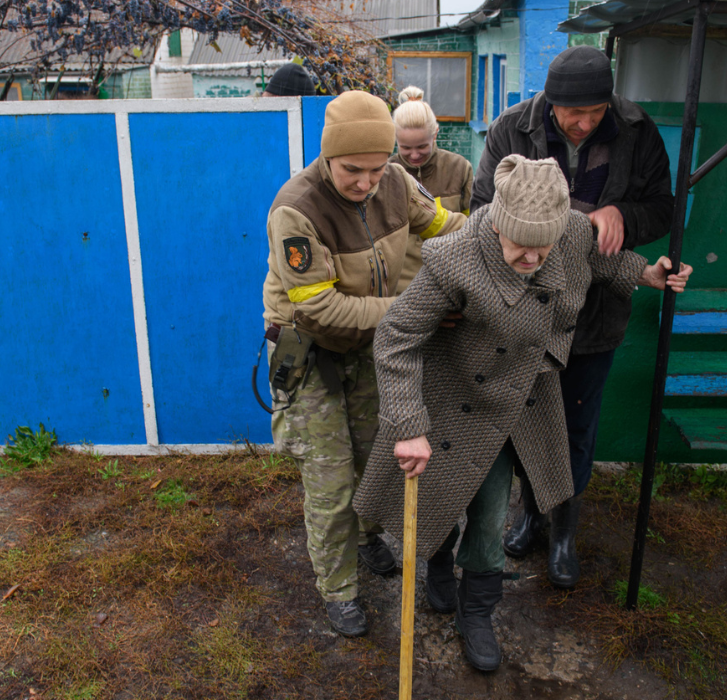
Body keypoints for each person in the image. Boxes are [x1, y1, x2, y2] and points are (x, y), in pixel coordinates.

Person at [354, 156, 691, 671]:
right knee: (443, 497)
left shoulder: (574, 233)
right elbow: (396, 336)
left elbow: (600, 262)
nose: (532, 257)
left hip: (520, 404)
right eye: (519, 246)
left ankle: (478, 613)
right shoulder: (453, 257)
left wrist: (647, 273)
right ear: (495, 225)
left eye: (544, 247)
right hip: (455, 397)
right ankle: (438, 568)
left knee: (490, 514)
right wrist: (409, 426)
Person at [263, 90, 467, 638]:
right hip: (311, 358)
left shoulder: (398, 182)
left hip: (373, 348)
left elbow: (446, 225)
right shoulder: (295, 210)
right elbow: (321, 308)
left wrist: (505, 239)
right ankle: (339, 590)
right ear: (327, 156)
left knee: (376, 459)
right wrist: (414, 310)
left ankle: (369, 535)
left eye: (377, 169)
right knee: (330, 484)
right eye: (353, 169)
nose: (366, 183)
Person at [470, 46, 675, 588]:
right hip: (524, 311)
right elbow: (480, 207)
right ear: (549, 103)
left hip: (595, 312)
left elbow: (662, 207)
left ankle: (563, 528)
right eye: (572, 113)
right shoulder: (511, 128)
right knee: (522, 421)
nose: (584, 123)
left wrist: (621, 215)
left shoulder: (636, 130)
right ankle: (530, 513)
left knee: (577, 426)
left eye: (595, 111)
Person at [390, 86, 474, 290]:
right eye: (405, 148)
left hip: (450, 284)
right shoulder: (386, 175)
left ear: (435, 134)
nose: (414, 155)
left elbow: (472, 230)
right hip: (400, 290)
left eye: (422, 147)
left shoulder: (459, 169)